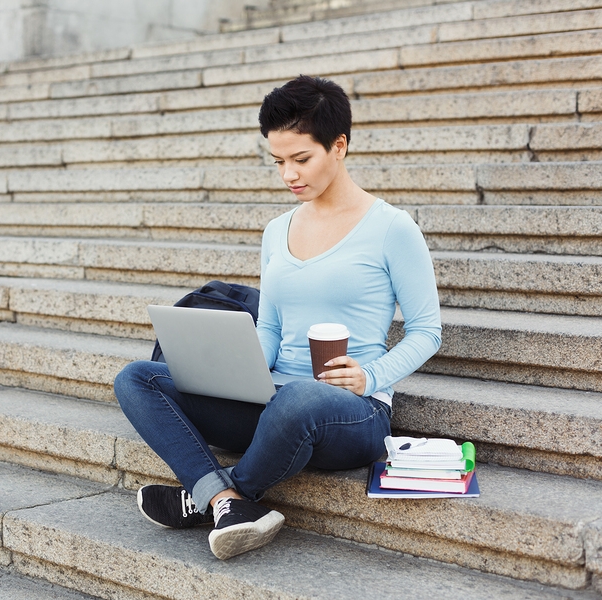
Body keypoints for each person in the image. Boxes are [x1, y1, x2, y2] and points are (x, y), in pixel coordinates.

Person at [114, 75, 442, 560]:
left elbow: (427, 331)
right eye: (278, 161)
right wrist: (237, 371)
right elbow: (268, 326)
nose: (289, 174)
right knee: (137, 378)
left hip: (353, 412)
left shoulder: (393, 228)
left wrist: (369, 375)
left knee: (303, 397)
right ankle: (227, 503)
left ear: (339, 146)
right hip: (271, 399)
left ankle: (205, 498)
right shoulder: (277, 230)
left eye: (301, 159)